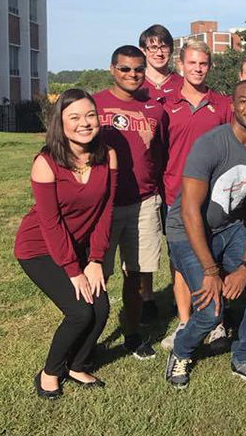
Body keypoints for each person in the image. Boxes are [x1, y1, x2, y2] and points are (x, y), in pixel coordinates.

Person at [163, 80, 246, 389]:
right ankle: (182, 350)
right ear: (233, 105)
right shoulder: (210, 144)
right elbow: (189, 212)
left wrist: (245, 267)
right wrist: (211, 270)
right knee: (212, 311)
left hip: (228, 229)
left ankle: (243, 355)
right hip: (186, 233)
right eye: (244, 100)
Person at [14, 89, 117, 398]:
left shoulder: (107, 155)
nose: (84, 123)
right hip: (39, 248)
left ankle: (78, 364)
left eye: (90, 115)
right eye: (74, 117)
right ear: (60, 123)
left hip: (82, 249)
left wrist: (96, 259)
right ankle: (50, 372)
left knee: (100, 309)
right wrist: (74, 270)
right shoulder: (46, 162)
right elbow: (51, 223)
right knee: (79, 313)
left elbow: (105, 211)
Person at [93, 46, 168, 360]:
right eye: (125, 69)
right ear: (112, 69)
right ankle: (88, 337)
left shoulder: (155, 109)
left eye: (138, 69)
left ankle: (133, 335)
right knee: (97, 274)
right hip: (103, 205)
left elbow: (160, 156)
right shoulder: (94, 104)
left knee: (137, 275)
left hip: (143, 202)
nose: (133, 75)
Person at [160, 38, 234, 352]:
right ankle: (184, 321)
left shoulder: (222, 104)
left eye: (203, 64)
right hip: (175, 194)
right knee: (179, 262)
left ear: (210, 67)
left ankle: (217, 323)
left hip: (213, 197)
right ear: (181, 66)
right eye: (192, 63)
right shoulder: (165, 104)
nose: (198, 69)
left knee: (213, 256)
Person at [137, 23, 182, 321]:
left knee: (177, 243)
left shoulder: (181, 83)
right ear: (143, 51)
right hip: (145, 176)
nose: (158, 51)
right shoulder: (136, 86)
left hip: (177, 174)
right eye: (152, 46)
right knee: (145, 243)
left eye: (163, 45)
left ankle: (184, 298)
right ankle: (146, 298)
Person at [139, 24, 184, 103]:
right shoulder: (135, 84)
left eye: (164, 47)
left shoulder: (183, 84)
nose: (159, 53)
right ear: (143, 51)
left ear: (171, 50)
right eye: (153, 47)